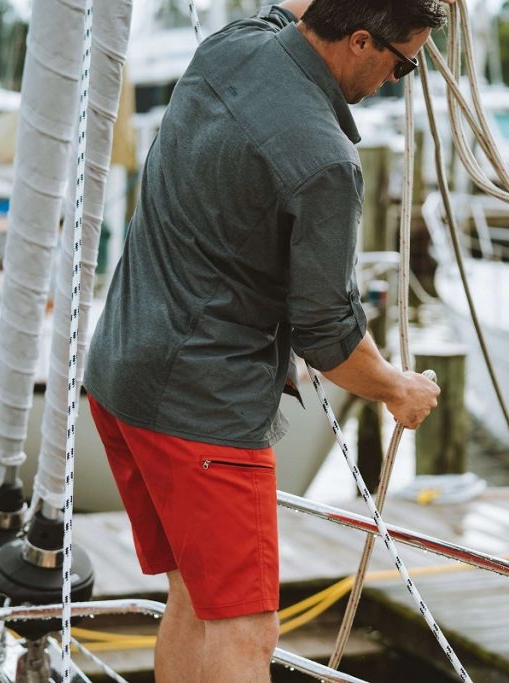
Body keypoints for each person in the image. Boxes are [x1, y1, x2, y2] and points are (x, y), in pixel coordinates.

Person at [84, 1, 449, 680]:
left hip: (122, 380)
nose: (401, 80)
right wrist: (399, 388)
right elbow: (328, 337)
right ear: (362, 40)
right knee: (248, 629)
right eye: (404, 62)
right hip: (203, 414)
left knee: (194, 597)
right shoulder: (326, 161)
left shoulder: (232, 46)